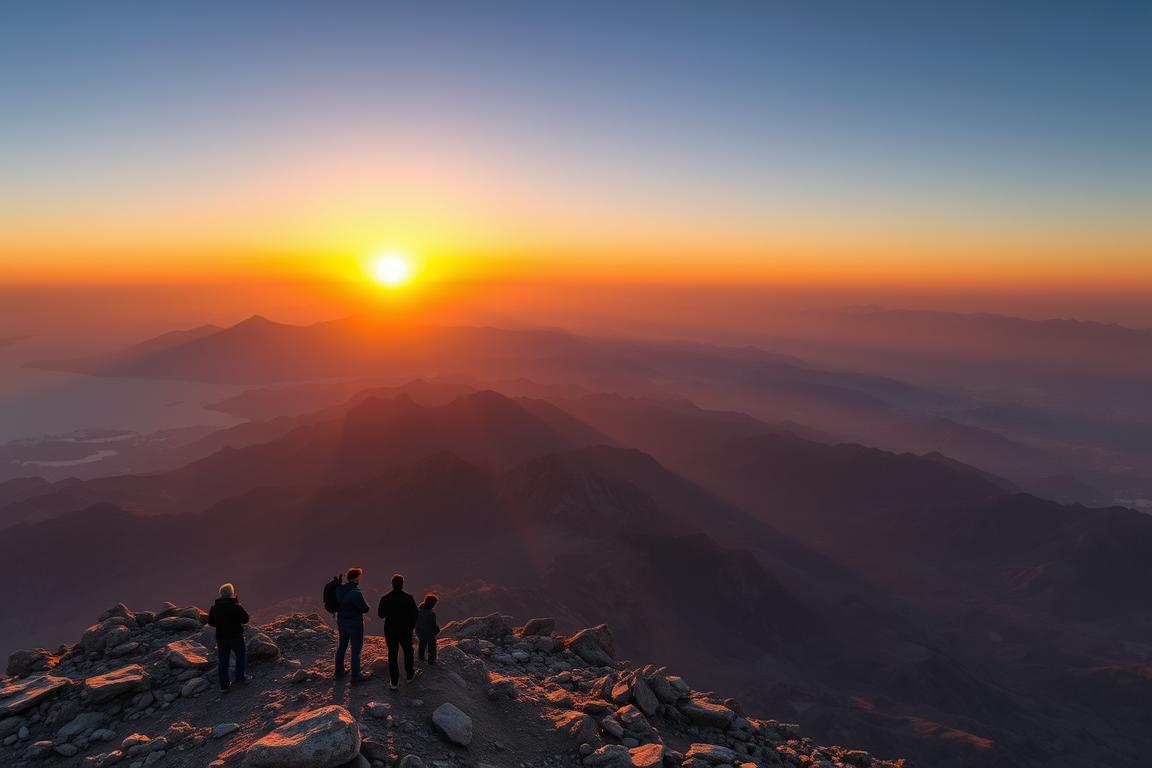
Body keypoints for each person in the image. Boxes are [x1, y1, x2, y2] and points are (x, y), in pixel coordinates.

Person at [377, 573, 421, 688]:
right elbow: (415, 615)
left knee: (392, 654)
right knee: (408, 651)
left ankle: (394, 682)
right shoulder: (408, 598)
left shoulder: (385, 598)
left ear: (392, 584)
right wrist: (411, 627)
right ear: (402, 584)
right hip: (405, 630)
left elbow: (381, 615)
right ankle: (410, 675)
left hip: (390, 630)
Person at [207, 583, 249, 692]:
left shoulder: (214, 608)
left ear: (220, 594)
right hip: (236, 636)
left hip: (221, 638)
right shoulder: (235, 606)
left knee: (223, 661)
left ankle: (224, 686)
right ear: (232, 593)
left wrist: (221, 624)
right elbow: (245, 619)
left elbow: (211, 623)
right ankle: (240, 677)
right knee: (240, 656)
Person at [334, 566, 372, 682]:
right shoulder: (356, 593)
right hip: (355, 624)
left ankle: (339, 671)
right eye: (359, 577)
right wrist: (367, 607)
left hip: (341, 621)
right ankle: (356, 675)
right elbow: (364, 609)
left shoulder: (339, 588)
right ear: (356, 578)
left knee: (342, 646)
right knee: (356, 649)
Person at [416, 593, 440, 665]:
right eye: (434, 603)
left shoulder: (418, 610)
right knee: (431, 645)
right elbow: (432, 624)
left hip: (419, 631)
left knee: (422, 644)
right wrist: (437, 629)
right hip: (428, 632)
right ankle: (432, 660)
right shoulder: (430, 613)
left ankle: (421, 658)